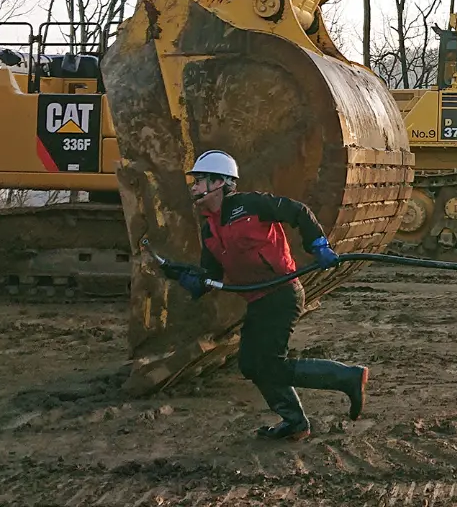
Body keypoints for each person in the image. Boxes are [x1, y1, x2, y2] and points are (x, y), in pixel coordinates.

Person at [157, 149, 368, 442]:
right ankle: (298, 419)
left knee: (269, 364)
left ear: (219, 182)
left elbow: (298, 212)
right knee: (251, 365)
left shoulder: (252, 205)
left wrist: (319, 245)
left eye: (199, 180)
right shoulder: (209, 231)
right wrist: (187, 278)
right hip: (258, 301)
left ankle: (345, 380)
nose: (193, 187)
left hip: (282, 295)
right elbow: (212, 277)